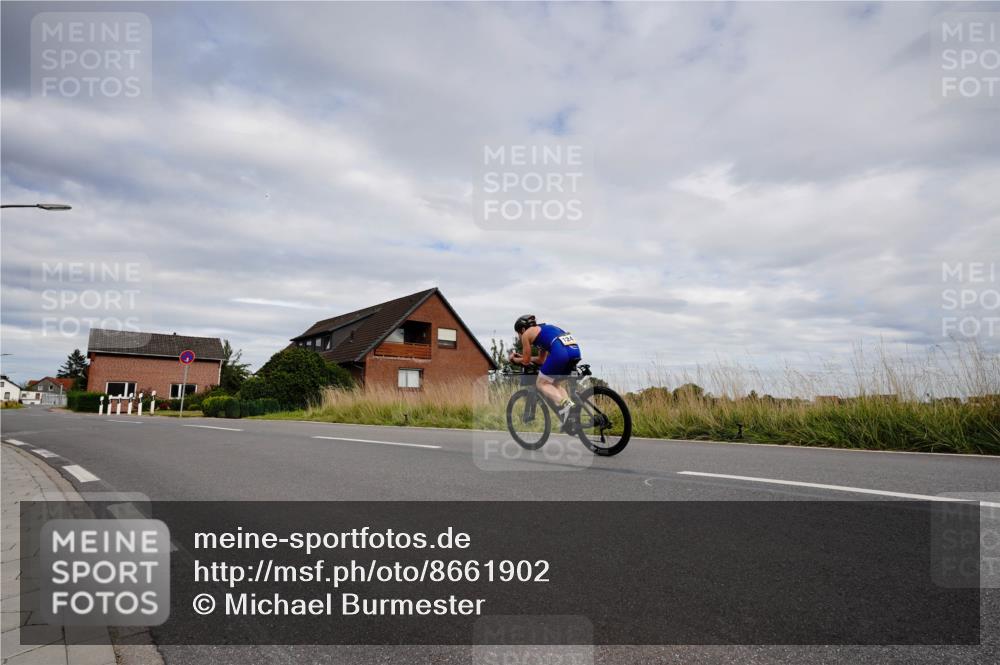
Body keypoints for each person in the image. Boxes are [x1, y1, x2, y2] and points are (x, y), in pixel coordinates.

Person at [509, 314, 582, 430]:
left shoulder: (526, 335)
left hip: (560, 352)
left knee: (541, 383)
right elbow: (540, 359)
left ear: (522, 329)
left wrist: (514, 359)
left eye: (518, 333)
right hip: (574, 351)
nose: (519, 336)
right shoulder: (543, 330)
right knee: (555, 384)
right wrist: (522, 357)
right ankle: (569, 415)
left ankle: (568, 405)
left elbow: (526, 362)